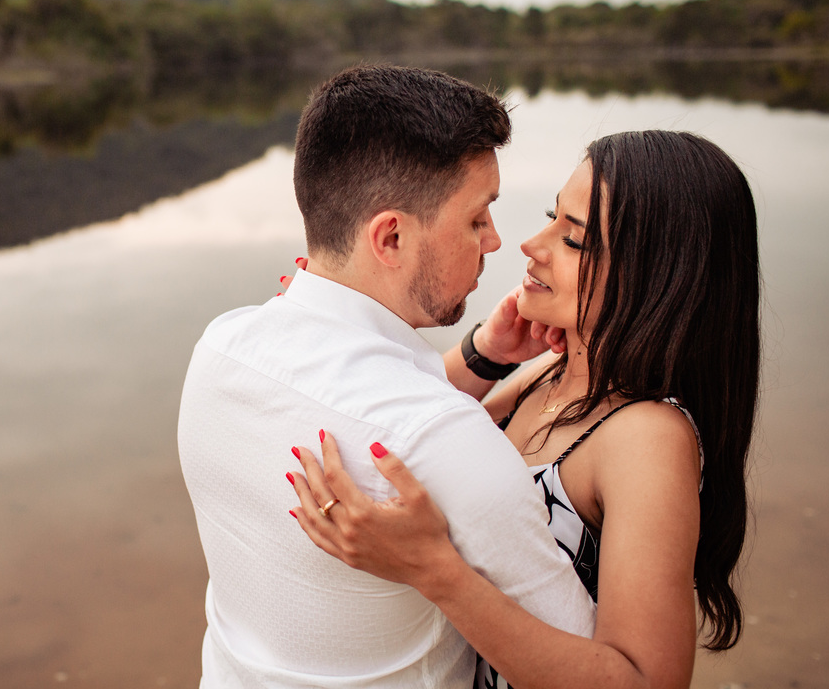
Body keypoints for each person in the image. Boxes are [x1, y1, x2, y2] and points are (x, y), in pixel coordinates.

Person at [286, 130, 760, 689]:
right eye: (550, 218)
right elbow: (417, 434)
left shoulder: (646, 437)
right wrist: (486, 354)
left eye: (575, 241)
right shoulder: (545, 376)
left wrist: (433, 570)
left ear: (659, 276)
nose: (531, 245)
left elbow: (647, 680)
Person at [178, 65, 595, 689]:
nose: (495, 241)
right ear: (392, 236)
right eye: (478, 217)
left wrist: (482, 356)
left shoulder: (221, 348)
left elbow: (370, 401)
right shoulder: (444, 441)